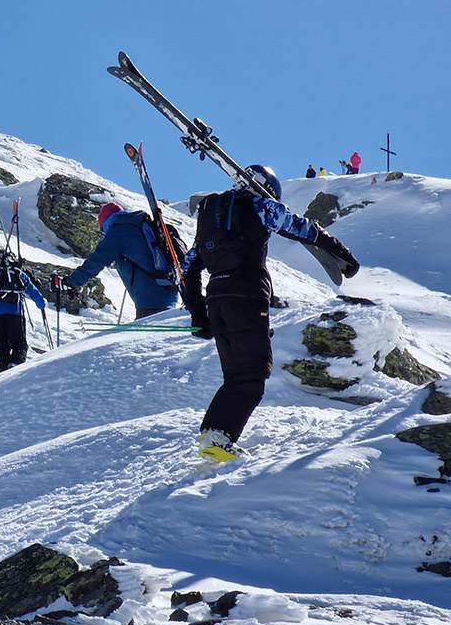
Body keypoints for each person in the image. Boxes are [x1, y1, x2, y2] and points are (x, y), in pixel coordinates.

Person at [182, 164, 359, 464]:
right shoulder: (259, 205)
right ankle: (217, 439)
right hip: (247, 297)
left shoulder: (211, 212)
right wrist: (340, 252)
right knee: (254, 373)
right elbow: (300, 226)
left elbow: (189, 267)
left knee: (237, 375)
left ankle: (213, 436)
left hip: (217, 300)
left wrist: (198, 313)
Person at [60, 202, 179, 319]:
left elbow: (96, 262)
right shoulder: (139, 225)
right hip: (168, 290)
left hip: (150, 300)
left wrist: (71, 282)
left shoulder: (118, 232)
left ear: (105, 223)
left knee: (147, 337)